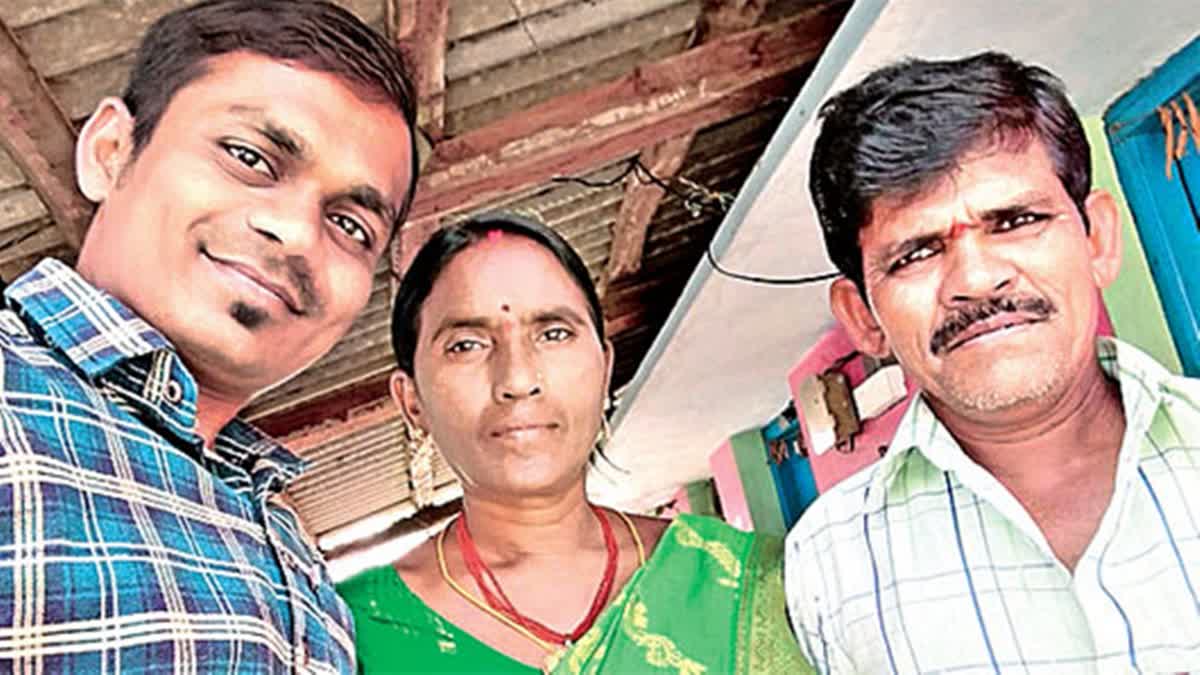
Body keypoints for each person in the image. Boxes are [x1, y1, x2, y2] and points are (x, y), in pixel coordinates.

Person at [0, 1, 417, 671]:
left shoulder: (284, 539)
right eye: (250, 157)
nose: (298, 234)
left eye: (351, 226)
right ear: (111, 152)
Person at [784, 51, 1200, 673]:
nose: (976, 280)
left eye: (1017, 221)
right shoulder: (829, 568)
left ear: (1097, 240)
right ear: (864, 317)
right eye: (915, 254)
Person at [336, 213, 811, 673]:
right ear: (412, 400)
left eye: (554, 333)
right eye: (466, 345)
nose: (518, 379)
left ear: (605, 370)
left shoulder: (751, 582)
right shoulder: (353, 630)